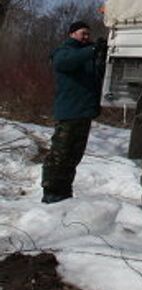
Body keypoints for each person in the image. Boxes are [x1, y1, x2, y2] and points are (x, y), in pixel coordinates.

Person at [41, 21, 103, 204]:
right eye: (83, 33)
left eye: (88, 34)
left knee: (73, 156)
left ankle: (64, 193)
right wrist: (92, 51)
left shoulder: (88, 54)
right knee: (60, 155)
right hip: (68, 113)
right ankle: (51, 193)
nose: (86, 37)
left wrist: (101, 52)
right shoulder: (64, 51)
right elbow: (64, 63)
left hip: (84, 113)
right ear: (72, 34)